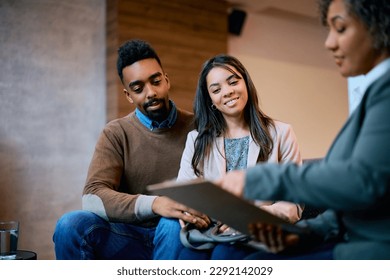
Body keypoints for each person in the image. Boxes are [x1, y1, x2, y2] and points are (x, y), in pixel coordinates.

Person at [216, 0, 390, 260]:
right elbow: (349, 207)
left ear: (379, 24)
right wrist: (303, 233)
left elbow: (361, 181)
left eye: (340, 28)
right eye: (216, 89)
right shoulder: (373, 93)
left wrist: (256, 180)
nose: (329, 42)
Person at [52, 39, 210, 259]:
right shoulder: (116, 133)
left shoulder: (199, 126)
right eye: (138, 88)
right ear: (128, 95)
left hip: (179, 233)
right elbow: (93, 197)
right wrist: (155, 204)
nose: (151, 92)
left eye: (156, 81)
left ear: (166, 80)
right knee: (70, 225)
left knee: (172, 222)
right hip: (129, 235)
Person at [153, 54, 303, 260]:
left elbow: (293, 205)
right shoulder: (197, 140)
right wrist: (189, 213)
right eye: (216, 90)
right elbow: (184, 194)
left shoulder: (282, 133)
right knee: (187, 254)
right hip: (207, 231)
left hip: (256, 230)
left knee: (223, 254)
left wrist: (247, 219)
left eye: (233, 82)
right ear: (211, 100)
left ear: (246, 84)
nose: (228, 91)